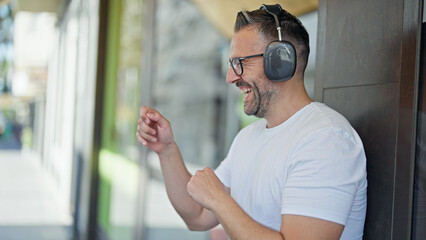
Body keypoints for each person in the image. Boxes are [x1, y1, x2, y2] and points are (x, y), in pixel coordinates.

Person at [136, 4, 367, 240]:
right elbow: (197, 215)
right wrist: (166, 151)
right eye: (230, 65)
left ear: (280, 60)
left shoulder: (326, 140)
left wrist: (219, 199)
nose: (230, 77)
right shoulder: (249, 137)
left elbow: (216, 203)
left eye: (240, 63)